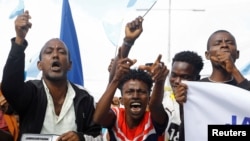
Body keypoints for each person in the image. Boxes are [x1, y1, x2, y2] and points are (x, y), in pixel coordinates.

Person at [1, 10, 102, 141]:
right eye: (49, 52)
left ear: (70, 65)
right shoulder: (31, 92)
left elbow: (98, 136)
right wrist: (19, 40)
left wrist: (81, 138)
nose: (55, 55)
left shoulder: (84, 98)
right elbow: (10, 87)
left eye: (61, 52)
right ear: (40, 65)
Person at [93, 46, 169, 141]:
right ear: (122, 100)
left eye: (141, 92)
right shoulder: (116, 116)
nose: (135, 96)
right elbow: (98, 118)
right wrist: (116, 79)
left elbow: (155, 105)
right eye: (129, 92)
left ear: (148, 98)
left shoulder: (154, 119)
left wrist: (160, 81)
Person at [162, 51, 204, 141]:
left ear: (197, 79)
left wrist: (183, 107)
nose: (177, 81)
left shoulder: (204, 106)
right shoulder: (164, 99)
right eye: (173, 75)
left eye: (185, 77)